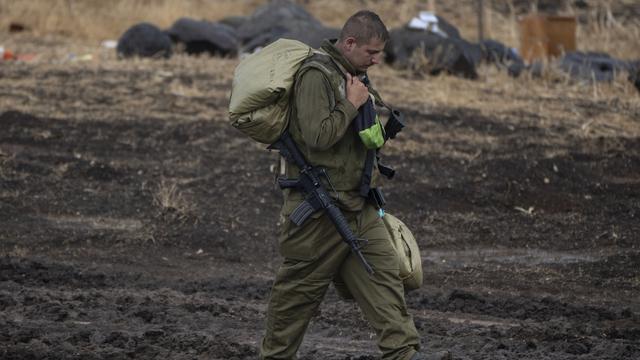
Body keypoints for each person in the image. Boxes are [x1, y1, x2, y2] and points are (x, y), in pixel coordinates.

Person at [259, 10, 451, 360]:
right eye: (371, 53)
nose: (378, 60)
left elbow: (366, 140)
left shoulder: (355, 76)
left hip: (358, 206)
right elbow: (318, 137)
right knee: (293, 305)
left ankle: (404, 354)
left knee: (387, 283)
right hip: (317, 215)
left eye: (379, 53)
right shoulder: (316, 75)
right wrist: (351, 104)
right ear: (349, 43)